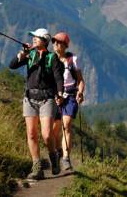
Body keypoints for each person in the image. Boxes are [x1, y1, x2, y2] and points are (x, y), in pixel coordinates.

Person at [9, 28, 65, 180]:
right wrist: (22, 53)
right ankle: (37, 167)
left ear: (45, 41)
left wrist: (60, 94)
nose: (33, 39)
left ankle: (53, 157)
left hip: (47, 99)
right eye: (33, 36)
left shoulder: (52, 58)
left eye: (37, 37)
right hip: (30, 98)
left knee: (47, 135)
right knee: (32, 134)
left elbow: (58, 78)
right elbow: (12, 65)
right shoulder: (30, 55)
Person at [50, 31, 84, 172]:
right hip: (55, 97)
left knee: (66, 125)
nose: (55, 44)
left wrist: (80, 92)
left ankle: (65, 157)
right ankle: (58, 152)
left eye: (58, 42)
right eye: (54, 42)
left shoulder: (72, 60)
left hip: (70, 95)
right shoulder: (50, 59)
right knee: (54, 130)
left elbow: (80, 80)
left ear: (65, 46)